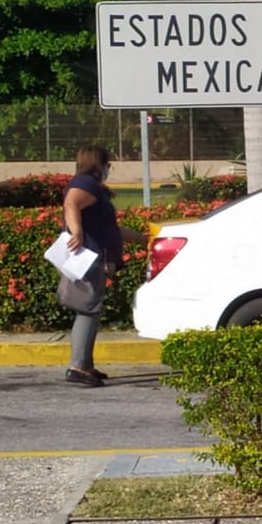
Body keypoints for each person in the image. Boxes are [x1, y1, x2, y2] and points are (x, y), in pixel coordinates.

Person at [59, 144, 148, 387]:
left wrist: (140, 238)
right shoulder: (85, 184)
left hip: (92, 257)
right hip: (84, 257)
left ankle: (85, 364)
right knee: (88, 309)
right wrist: (76, 231)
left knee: (91, 309)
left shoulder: (93, 187)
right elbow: (71, 203)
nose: (109, 169)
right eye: (107, 164)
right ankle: (78, 366)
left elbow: (108, 228)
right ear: (98, 164)